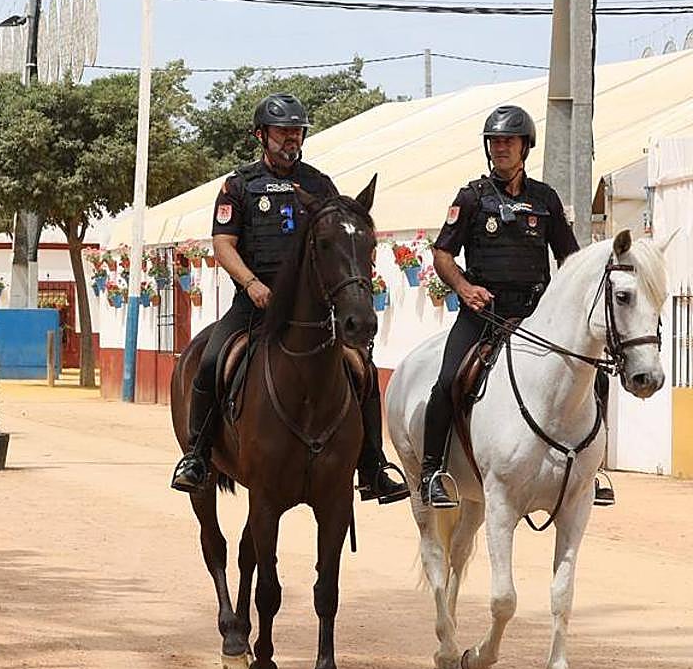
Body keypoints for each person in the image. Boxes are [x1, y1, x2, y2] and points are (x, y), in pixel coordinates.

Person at [170, 93, 409, 504]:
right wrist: (250, 284)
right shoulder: (239, 185)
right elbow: (223, 245)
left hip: (309, 313)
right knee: (209, 363)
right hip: (254, 305)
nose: (291, 140)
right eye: (282, 132)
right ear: (261, 135)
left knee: (363, 371)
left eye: (296, 133)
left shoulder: (320, 184)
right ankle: (197, 454)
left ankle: (372, 464)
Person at [417, 105, 615, 507]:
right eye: (494, 141)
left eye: (508, 141)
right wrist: (464, 287)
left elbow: (570, 259)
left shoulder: (545, 200)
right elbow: (441, 254)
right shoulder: (471, 197)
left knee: (597, 378)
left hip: (534, 317)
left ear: (526, 146)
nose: (500, 148)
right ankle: (432, 471)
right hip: (482, 315)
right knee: (446, 382)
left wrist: (570, 305)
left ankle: (596, 471)